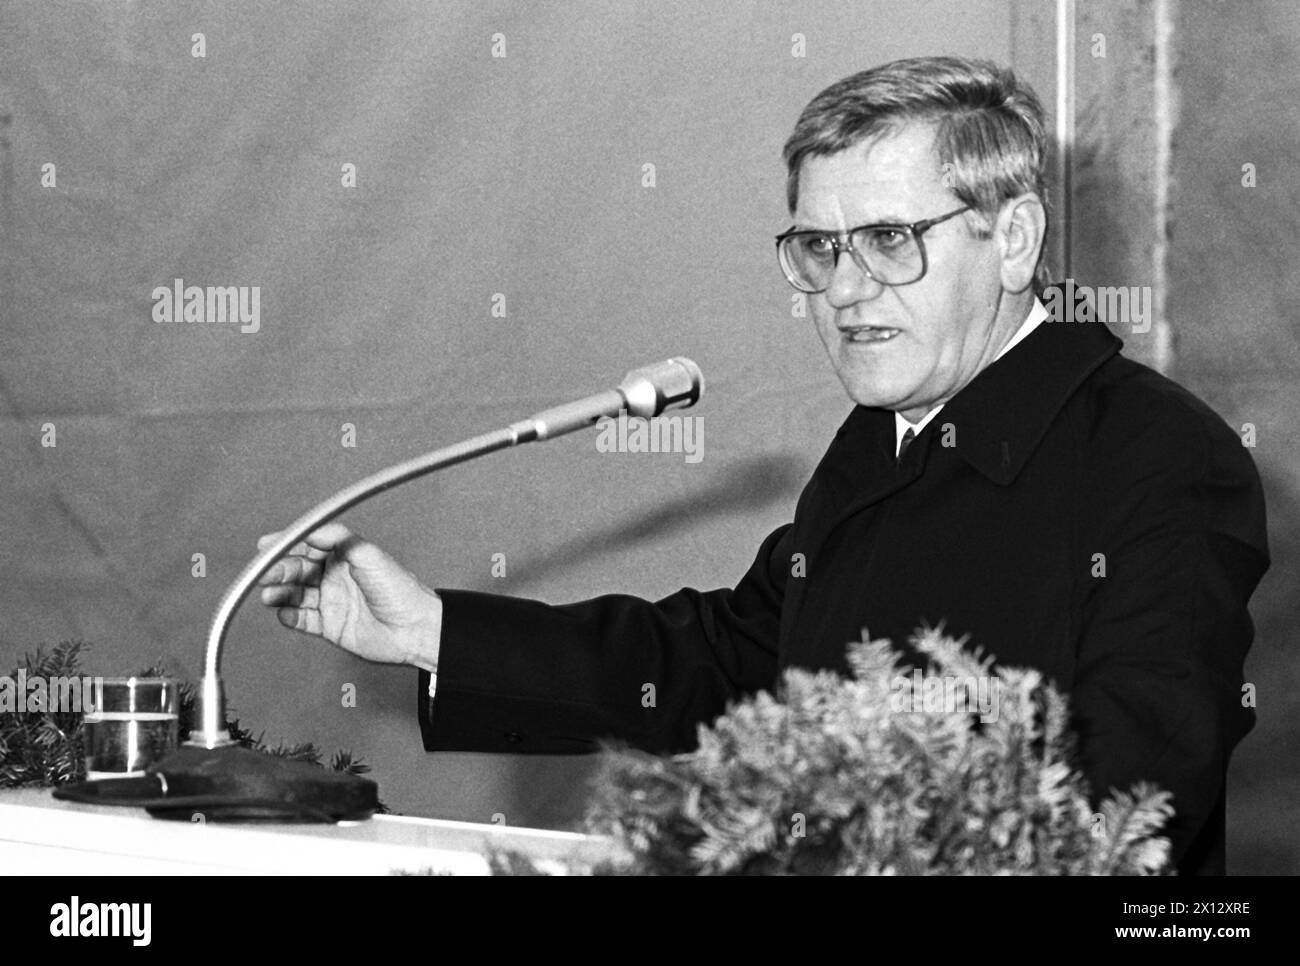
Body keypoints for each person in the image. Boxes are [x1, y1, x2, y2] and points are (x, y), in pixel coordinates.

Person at [256, 56, 1269, 875]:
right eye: (818, 249)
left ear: (1013, 239)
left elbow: (1129, 808)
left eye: (887, 239)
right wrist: (435, 632)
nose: (845, 287)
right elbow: (733, 661)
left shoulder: (1159, 457)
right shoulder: (889, 433)